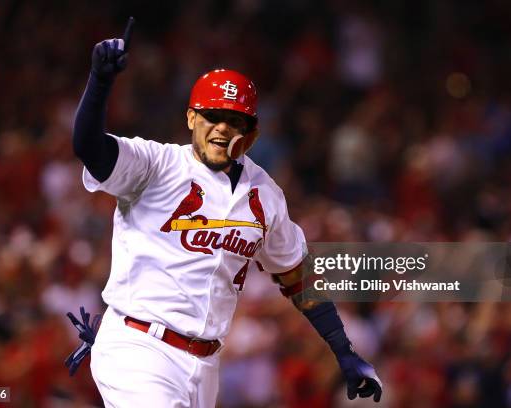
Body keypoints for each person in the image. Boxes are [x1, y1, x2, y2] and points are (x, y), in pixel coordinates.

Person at [67, 18, 382, 407]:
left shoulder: (266, 194)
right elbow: (90, 148)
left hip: (205, 365)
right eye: (211, 116)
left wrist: (344, 350)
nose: (221, 128)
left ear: (252, 133)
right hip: (139, 348)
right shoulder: (157, 164)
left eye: (234, 120)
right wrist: (99, 84)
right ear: (190, 119)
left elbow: (299, 279)